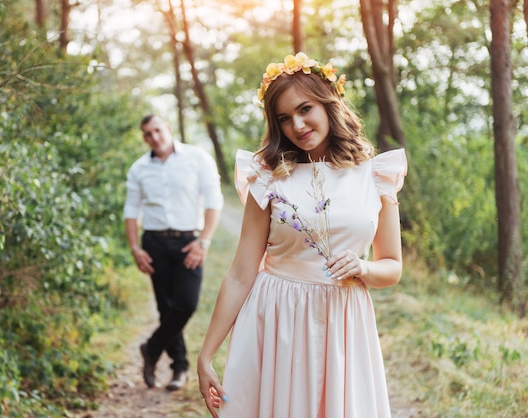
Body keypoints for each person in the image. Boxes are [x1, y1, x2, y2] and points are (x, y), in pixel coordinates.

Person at [197, 52, 407, 417]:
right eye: (284, 118)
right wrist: (206, 354)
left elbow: (392, 267)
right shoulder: (269, 175)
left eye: (305, 109)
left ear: (329, 104)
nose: (297, 124)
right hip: (277, 319)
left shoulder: (376, 175)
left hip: (344, 321)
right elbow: (240, 272)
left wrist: (362, 267)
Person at [123, 114, 223, 391]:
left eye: (157, 130)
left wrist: (204, 241)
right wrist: (135, 249)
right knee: (166, 308)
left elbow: (214, 201)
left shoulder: (197, 158)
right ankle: (179, 367)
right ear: (144, 138)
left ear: (168, 128)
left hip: (189, 241)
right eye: (147, 134)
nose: (154, 137)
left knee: (186, 305)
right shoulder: (139, 168)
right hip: (154, 243)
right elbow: (131, 211)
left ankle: (151, 348)